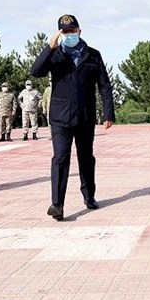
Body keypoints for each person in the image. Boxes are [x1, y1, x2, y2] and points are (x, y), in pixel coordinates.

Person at [31, 14, 115, 221]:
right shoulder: (55, 55)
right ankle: (57, 204)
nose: (69, 35)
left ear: (79, 31)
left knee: (86, 158)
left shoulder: (93, 55)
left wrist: (108, 113)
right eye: (65, 32)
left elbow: (104, 85)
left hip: (85, 116)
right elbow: (35, 71)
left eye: (72, 31)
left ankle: (89, 196)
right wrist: (49, 47)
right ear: (60, 34)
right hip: (61, 117)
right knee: (60, 159)